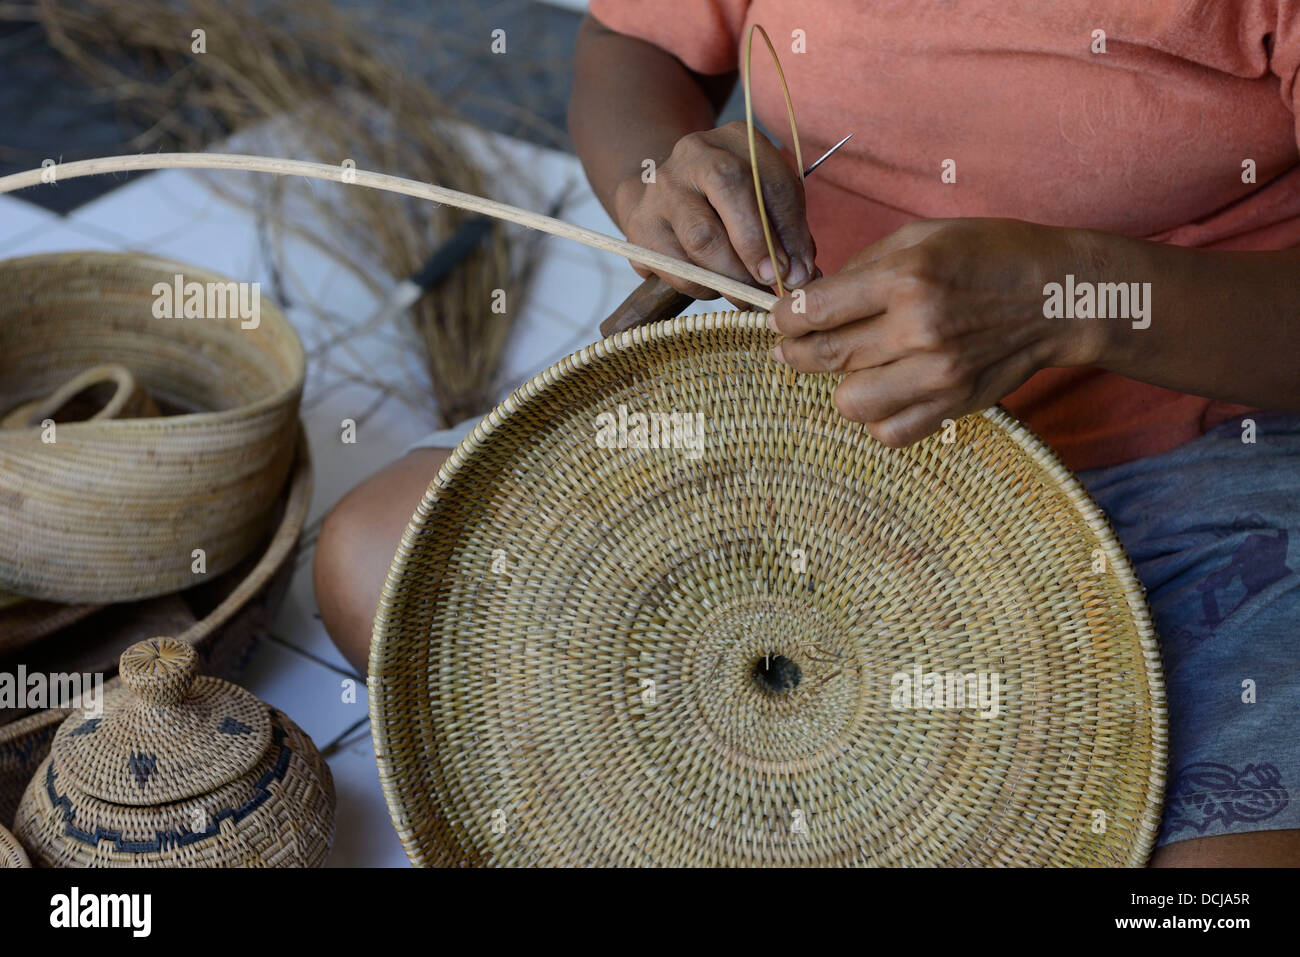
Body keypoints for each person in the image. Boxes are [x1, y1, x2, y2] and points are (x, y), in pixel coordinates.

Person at [315, 1, 1300, 866]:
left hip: (1184, 463)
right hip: (812, 419)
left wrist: (1067, 300)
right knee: (377, 568)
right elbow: (627, 42)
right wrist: (656, 179)